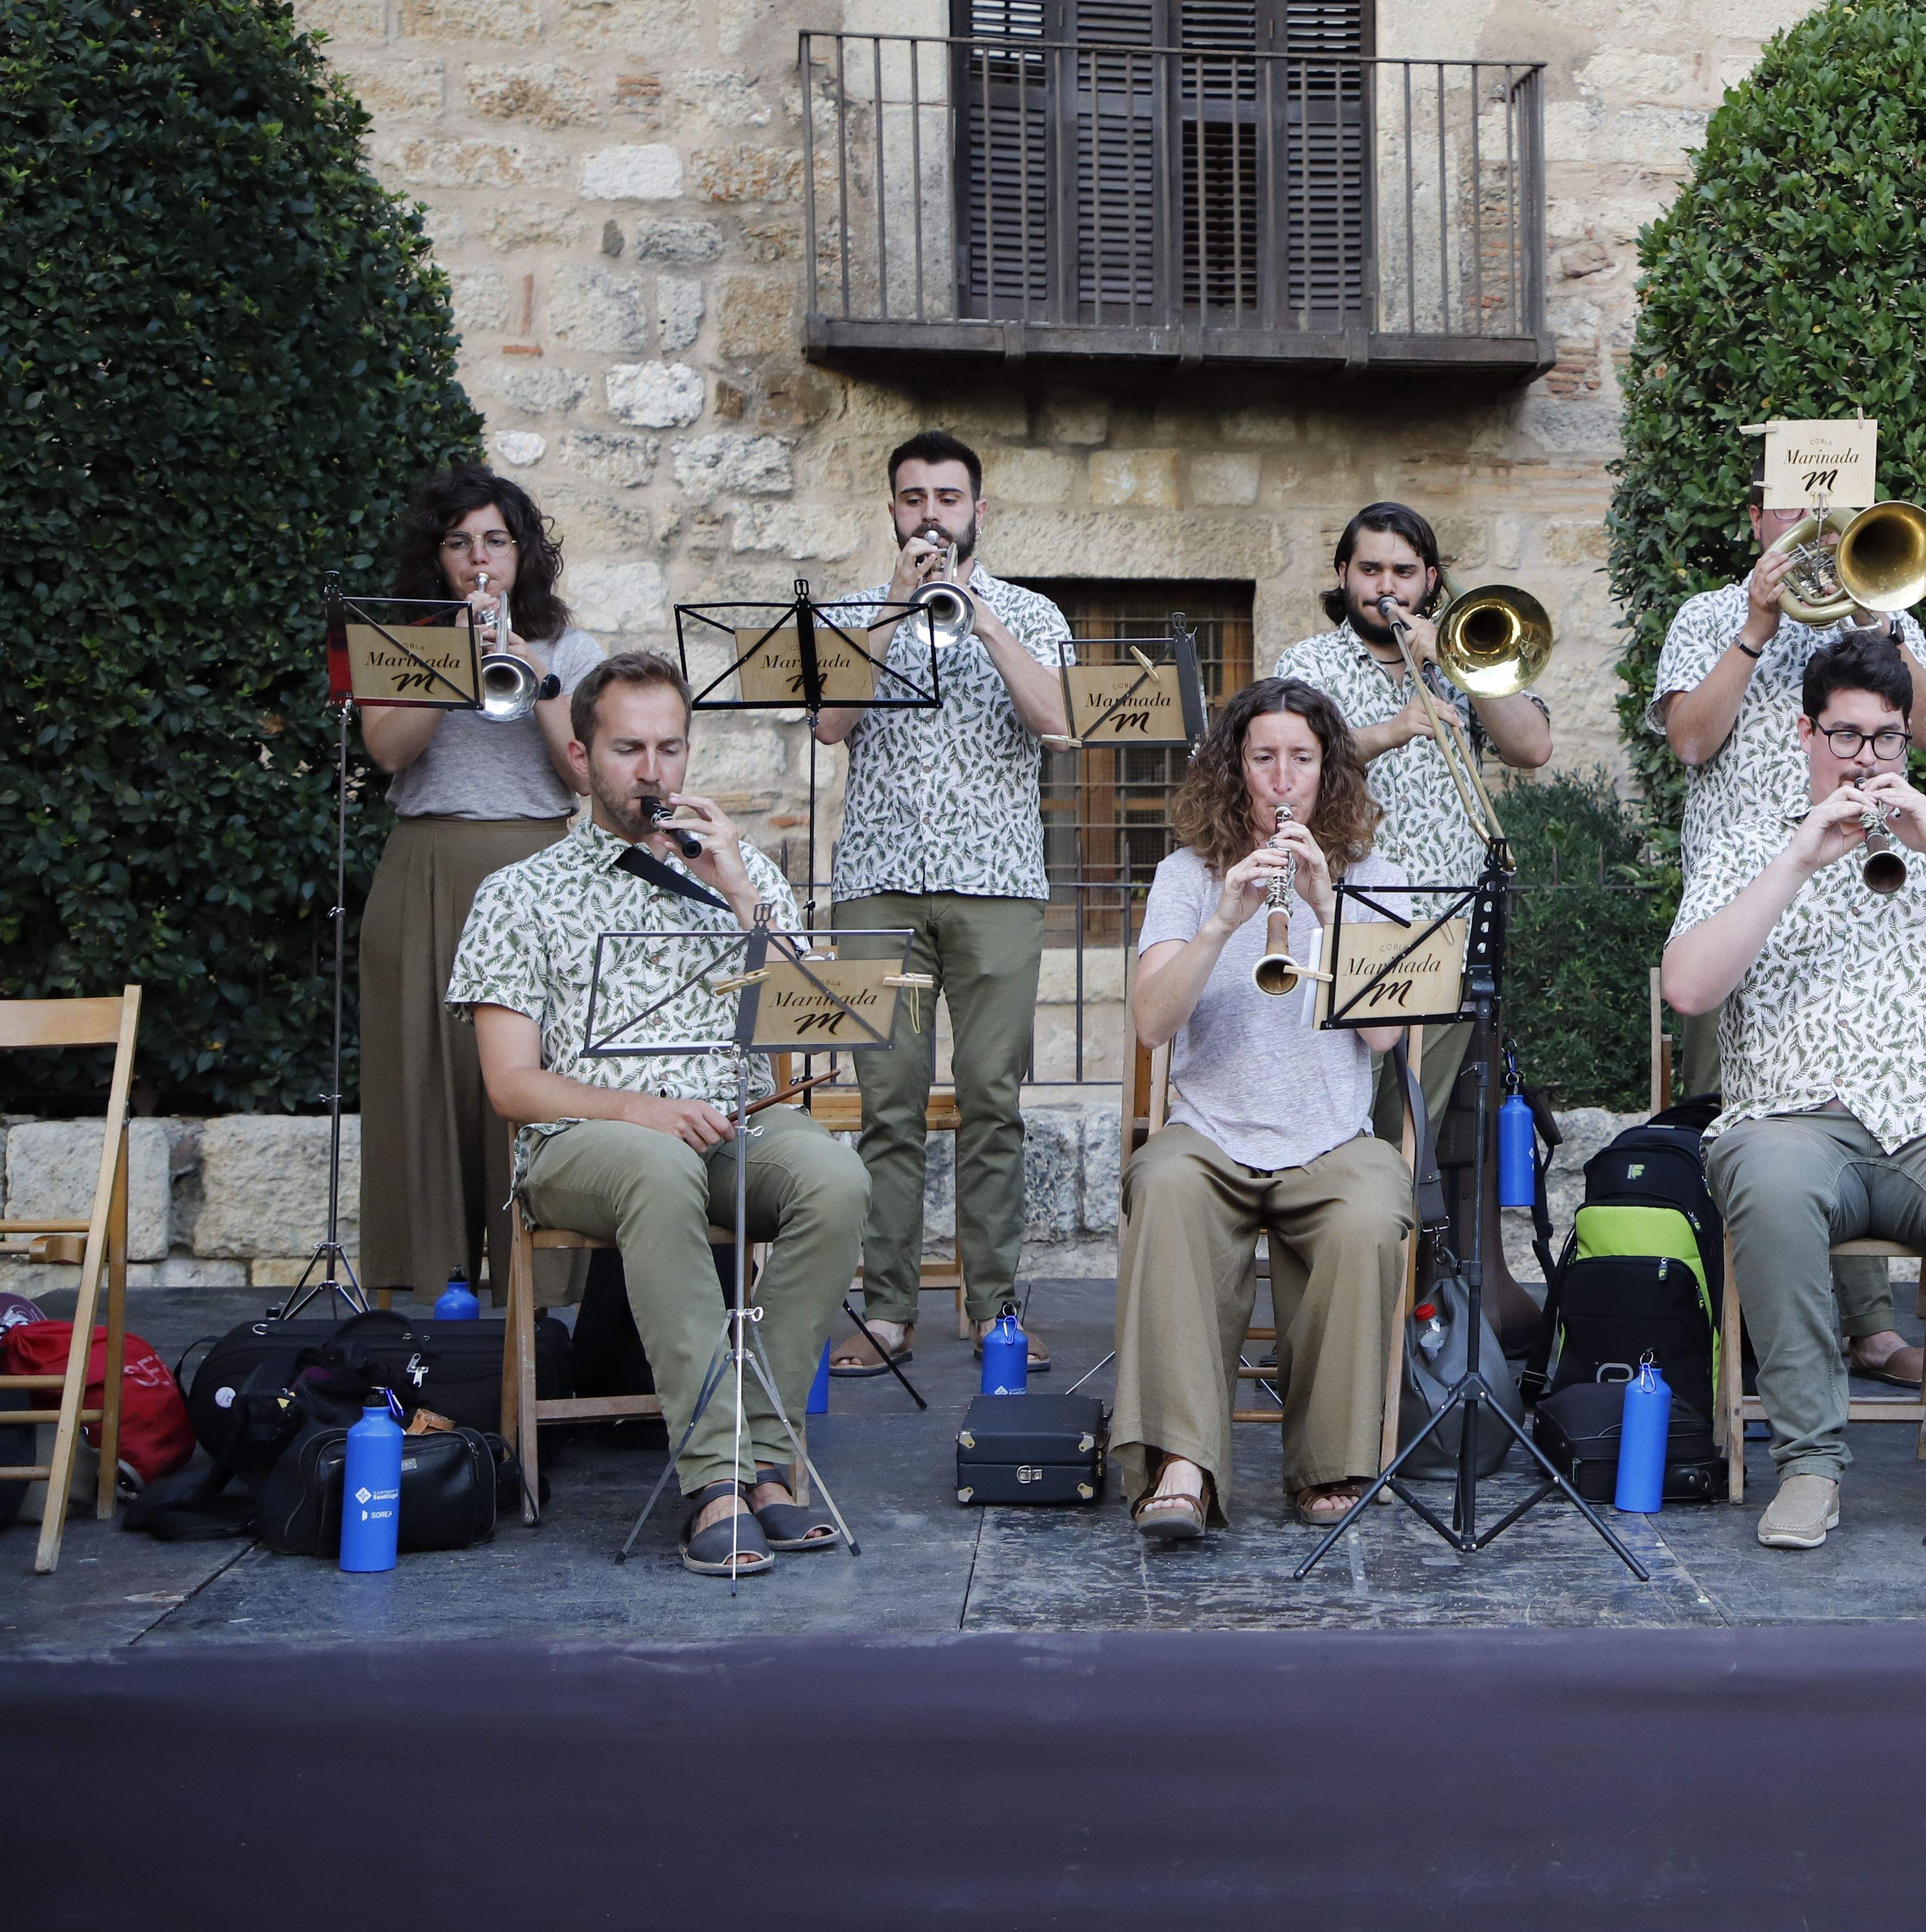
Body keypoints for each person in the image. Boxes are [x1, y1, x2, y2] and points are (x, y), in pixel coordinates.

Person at [1661, 630, 1926, 1554]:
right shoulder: (1748, 845)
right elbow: (1689, 991)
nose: (1865, 758)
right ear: (1806, 734)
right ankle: (1811, 1464)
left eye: (1884, 738)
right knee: (1771, 1189)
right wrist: (1798, 863)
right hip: (1789, 1120)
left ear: (1905, 741)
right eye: (1846, 736)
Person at [448, 652, 869, 1579]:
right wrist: (637, 1108)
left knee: (836, 1177)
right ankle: (714, 1480)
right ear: (581, 754)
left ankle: (766, 1453)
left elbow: (821, 1018)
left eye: (670, 748)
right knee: (657, 1166)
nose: (653, 772)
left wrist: (742, 893)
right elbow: (511, 1087)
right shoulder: (521, 892)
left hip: (729, 1123)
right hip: (586, 1143)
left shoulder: (740, 867)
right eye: (629, 748)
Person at [1653, 464, 1926, 1388]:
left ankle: (1864, 1330)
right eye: (1794, 505)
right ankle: (1757, 1335)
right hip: (1750, 894)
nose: (1818, 522)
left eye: (1835, 503)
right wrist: (1757, 627)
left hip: (1867, 886)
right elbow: (1692, 740)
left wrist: (1881, 630)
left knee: (1860, 1095)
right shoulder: (1707, 615)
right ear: (1755, 521)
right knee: (1752, 1110)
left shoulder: (1890, 607)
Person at [1120, 679, 1414, 1539]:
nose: (1282, 779)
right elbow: (1151, 1024)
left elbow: (1390, 1036)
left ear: (1329, 772)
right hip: (1210, 1132)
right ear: (1235, 771)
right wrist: (1220, 923)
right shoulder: (1186, 876)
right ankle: (1183, 1465)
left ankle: (1331, 1465)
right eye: (1263, 759)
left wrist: (1328, 906)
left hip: (1332, 1136)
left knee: (1370, 1212)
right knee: (1163, 1186)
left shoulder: (1374, 876)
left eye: (1301, 759)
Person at [814, 430, 1074, 1378]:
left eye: (949, 497)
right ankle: (886, 1311)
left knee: (992, 1102)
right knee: (888, 1106)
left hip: (999, 883)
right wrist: (894, 602)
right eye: (914, 497)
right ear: (891, 509)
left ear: (979, 511)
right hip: (877, 880)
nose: (931, 513)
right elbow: (830, 723)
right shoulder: (852, 610)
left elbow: (1061, 725)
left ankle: (993, 1307)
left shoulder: (1031, 612)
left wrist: (982, 617)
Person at [358, 467, 608, 1302]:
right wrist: (450, 654)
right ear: (438, 557)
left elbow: (586, 775)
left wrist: (531, 669)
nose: (479, 559)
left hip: (542, 877)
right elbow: (389, 752)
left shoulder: (571, 649)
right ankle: (433, 1289)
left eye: (495, 541)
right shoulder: (403, 638)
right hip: (428, 871)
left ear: (522, 551)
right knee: (425, 1085)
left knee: (534, 1080)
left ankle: (539, 1293)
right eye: (460, 542)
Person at [1270, 501, 1552, 1143]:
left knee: (1409, 1137)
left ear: (1429, 579)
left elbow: (1532, 748)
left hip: (1445, 930)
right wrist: (1392, 731)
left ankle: (1401, 1245)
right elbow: (1285, 768)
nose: (1387, 587)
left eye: (1403, 570)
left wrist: (1468, 673)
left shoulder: (1465, 659)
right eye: (1371, 569)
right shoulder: (1308, 663)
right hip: (1345, 922)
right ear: (1344, 574)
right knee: (1339, 1126)